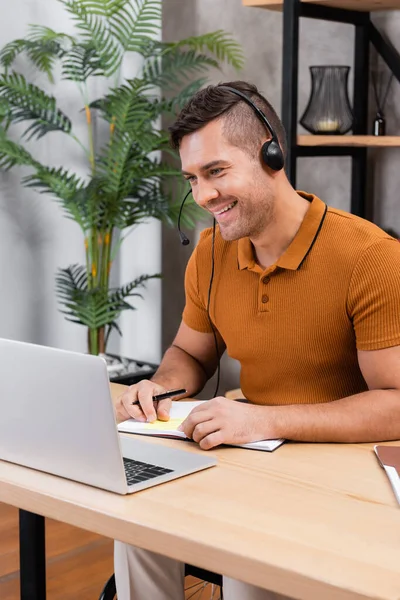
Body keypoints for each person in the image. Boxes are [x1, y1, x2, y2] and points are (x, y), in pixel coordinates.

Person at [113, 81, 400, 600]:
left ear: (272, 152)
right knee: (135, 523)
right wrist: (159, 389)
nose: (202, 197)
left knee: (247, 565)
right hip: (252, 452)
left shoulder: (370, 258)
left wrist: (264, 419)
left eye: (217, 172)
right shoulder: (213, 252)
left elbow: (398, 405)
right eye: (192, 179)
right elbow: (189, 353)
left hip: (342, 480)